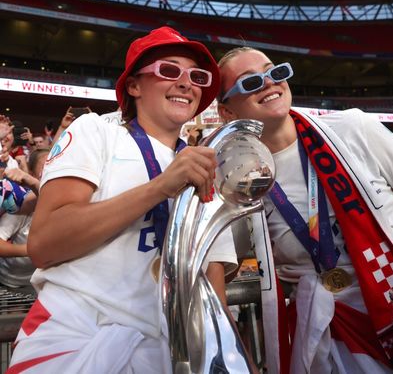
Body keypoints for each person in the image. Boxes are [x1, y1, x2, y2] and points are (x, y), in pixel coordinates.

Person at [217, 47, 393, 374]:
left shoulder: (352, 128)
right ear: (226, 111)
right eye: (250, 82)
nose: (269, 84)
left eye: (276, 72)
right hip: (331, 332)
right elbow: (224, 267)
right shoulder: (234, 176)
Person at [8, 27, 238, 373]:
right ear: (133, 86)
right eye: (169, 70)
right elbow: (44, 243)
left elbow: (211, 276)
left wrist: (220, 355)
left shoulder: (205, 165)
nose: (186, 83)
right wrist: (160, 186)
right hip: (77, 334)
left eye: (197, 76)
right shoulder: (95, 131)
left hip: (169, 349)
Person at [0, 149, 48, 293]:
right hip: (10, 280)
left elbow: (37, 200)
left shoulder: (9, 193)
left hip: (41, 282)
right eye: (46, 170)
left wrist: (33, 183)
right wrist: (31, 250)